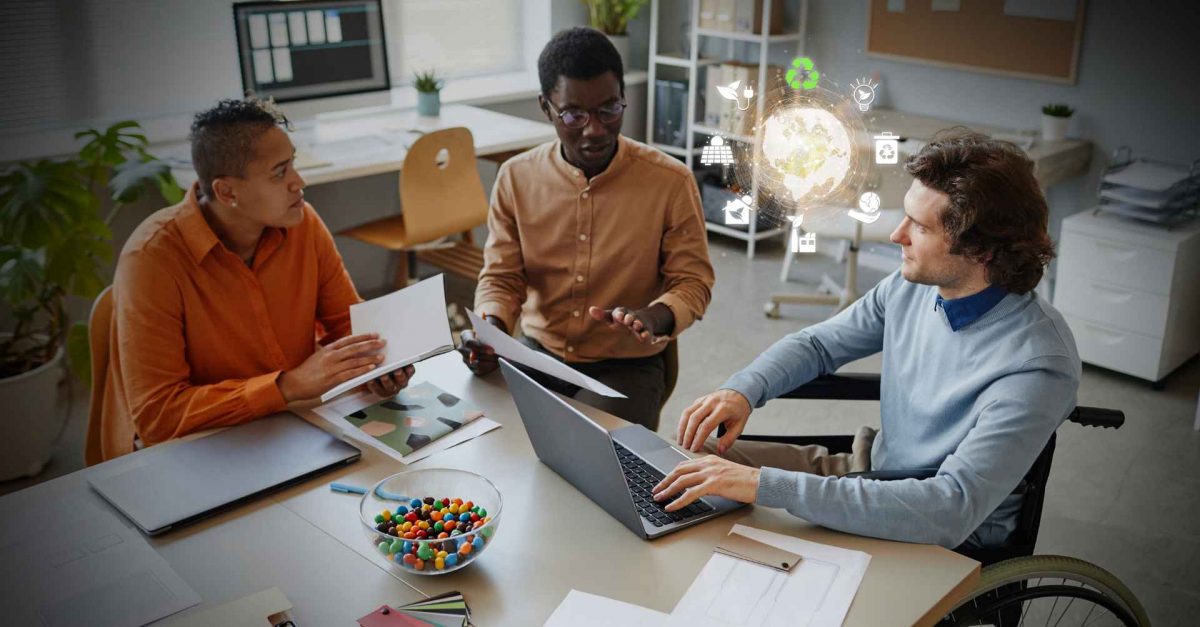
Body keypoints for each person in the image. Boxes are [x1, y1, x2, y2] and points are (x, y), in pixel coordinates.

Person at [654, 132, 1081, 549]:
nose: (897, 235)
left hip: (933, 533)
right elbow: (820, 345)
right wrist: (744, 391)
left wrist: (765, 486)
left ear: (984, 251)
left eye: (920, 227)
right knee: (689, 461)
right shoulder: (912, 286)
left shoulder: (1037, 365)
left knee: (738, 515)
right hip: (869, 470)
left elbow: (950, 508)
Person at [93, 98, 411, 462]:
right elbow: (158, 416)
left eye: (292, 163)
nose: (299, 182)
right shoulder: (152, 258)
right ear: (227, 192)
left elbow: (348, 325)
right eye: (280, 172)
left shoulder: (303, 222)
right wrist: (287, 386)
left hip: (290, 429)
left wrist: (378, 364)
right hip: (196, 449)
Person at [459, 27, 714, 430]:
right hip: (537, 354)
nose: (594, 129)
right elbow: (503, 277)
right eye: (574, 115)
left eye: (609, 110)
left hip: (626, 368)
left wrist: (657, 317)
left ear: (623, 99)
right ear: (546, 107)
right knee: (476, 435)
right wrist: (491, 333)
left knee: (593, 459)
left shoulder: (670, 182)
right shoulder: (516, 178)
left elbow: (693, 282)